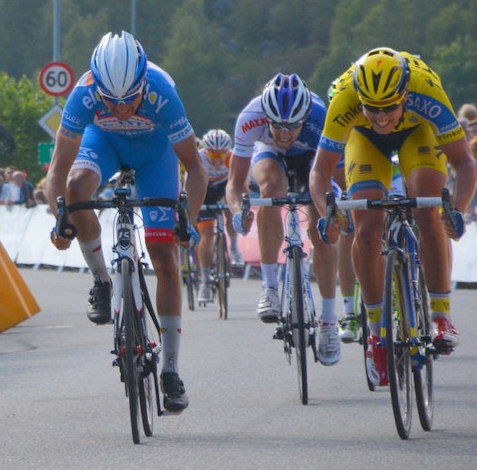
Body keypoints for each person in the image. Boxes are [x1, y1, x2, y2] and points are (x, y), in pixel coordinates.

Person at [44, 31, 205, 413]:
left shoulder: (162, 93)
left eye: (129, 99)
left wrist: (190, 220)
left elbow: (196, 169)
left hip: (155, 155)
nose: (120, 108)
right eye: (110, 100)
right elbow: (56, 173)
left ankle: (171, 369)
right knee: (77, 185)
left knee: (165, 255)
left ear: (143, 85)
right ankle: (102, 279)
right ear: (96, 88)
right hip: (103, 145)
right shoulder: (83, 95)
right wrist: (60, 219)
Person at [310, 48, 475, 386]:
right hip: (364, 142)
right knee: (366, 230)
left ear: (405, 94)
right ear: (359, 99)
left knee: (427, 211)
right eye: (371, 108)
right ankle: (375, 335)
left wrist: (456, 210)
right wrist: (327, 212)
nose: (381, 117)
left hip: (419, 133)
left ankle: (441, 316)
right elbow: (320, 171)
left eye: (389, 108)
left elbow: (466, 163)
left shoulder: (426, 90)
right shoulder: (344, 98)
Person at [225, 74, 340, 366]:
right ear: (266, 118)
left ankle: (328, 322)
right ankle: (270, 288)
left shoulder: (319, 118)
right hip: (269, 156)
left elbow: (335, 179)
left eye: (292, 127)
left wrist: (333, 209)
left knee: (322, 230)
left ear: (305, 117)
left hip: (313, 158)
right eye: (277, 126)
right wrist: (239, 210)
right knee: (269, 191)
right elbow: (235, 182)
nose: (285, 135)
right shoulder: (250, 118)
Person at [193, 128, 233, 305]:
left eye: (221, 156)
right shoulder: (198, 158)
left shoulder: (232, 157)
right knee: (207, 237)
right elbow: (191, 185)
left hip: (223, 188)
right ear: (206, 151)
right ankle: (205, 281)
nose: (217, 160)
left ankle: (236, 249)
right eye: (213, 156)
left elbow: (238, 184)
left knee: (233, 208)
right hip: (203, 191)